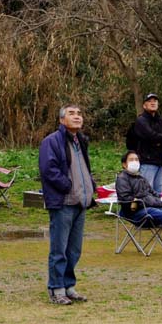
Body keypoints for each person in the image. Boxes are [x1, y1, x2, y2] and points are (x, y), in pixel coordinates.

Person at [39, 104, 97, 305]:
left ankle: (69, 286)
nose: (77, 116)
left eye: (79, 113)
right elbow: (48, 170)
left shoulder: (81, 141)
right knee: (59, 250)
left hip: (81, 202)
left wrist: (90, 185)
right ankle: (56, 289)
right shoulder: (51, 141)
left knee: (74, 250)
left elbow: (84, 168)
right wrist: (67, 185)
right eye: (72, 113)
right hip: (63, 202)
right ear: (62, 119)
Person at [133, 93, 162, 194]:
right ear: (144, 105)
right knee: (146, 192)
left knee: (158, 192)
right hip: (147, 161)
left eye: (155, 101)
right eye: (149, 101)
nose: (153, 103)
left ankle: (156, 205)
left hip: (160, 161)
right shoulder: (141, 120)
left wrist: (160, 143)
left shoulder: (161, 120)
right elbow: (151, 135)